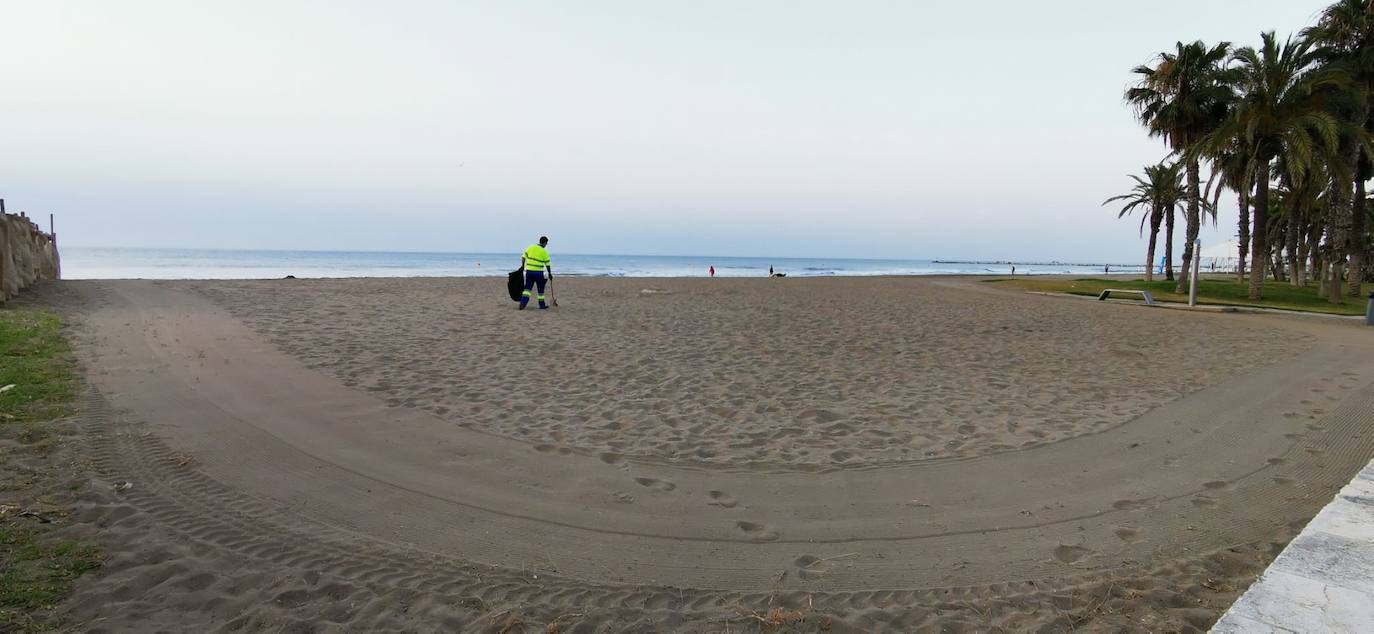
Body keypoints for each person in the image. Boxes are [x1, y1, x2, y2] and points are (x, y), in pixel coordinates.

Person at [520, 236, 553, 310]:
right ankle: (542, 305)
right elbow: (547, 264)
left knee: (527, 289)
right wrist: (549, 273)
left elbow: (523, 257)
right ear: (544, 242)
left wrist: (522, 266)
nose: (545, 245)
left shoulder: (531, 247)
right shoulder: (544, 252)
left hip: (529, 272)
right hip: (538, 273)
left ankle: (523, 303)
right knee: (540, 290)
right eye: (546, 243)